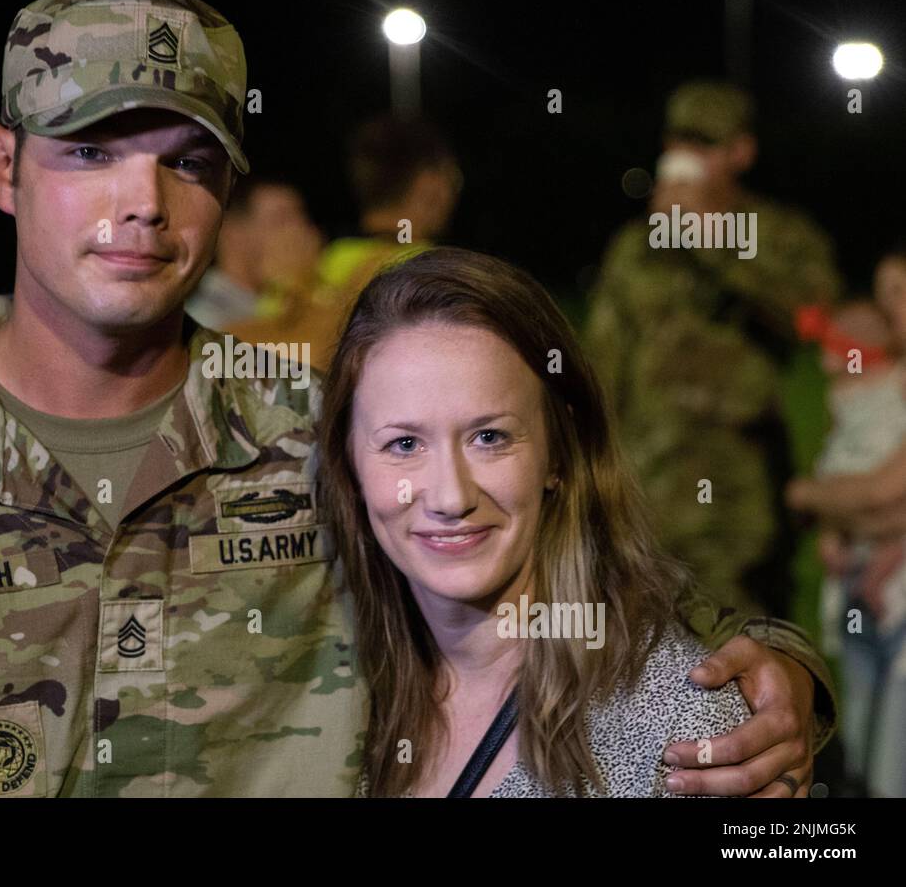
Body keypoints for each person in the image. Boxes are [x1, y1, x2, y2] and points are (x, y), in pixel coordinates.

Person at [0, 0, 828, 798]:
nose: (142, 205)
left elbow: (605, 585)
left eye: (187, 161)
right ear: (4, 166)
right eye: (91, 152)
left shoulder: (334, 436)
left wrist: (779, 671)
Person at [327, 248, 820, 797]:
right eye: (404, 443)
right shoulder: (320, 695)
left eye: (489, 437)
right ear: (347, 462)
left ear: (557, 454)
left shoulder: (684, 726)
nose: (450, 495)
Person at [585, 80, 842, 619]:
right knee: (641, 640)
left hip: (737, 485)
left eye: (704, 144)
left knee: (740, 636)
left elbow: (810, 318)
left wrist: (712, 240)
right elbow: (602, 362)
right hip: (647, 480)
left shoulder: (777, 234)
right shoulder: (637, 246)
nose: (686, 158)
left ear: (741, 153)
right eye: (678, 143)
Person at [787, 262, 906, 797]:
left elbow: (885, 491)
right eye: (885, 294)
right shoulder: (872, 395)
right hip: (865, 591)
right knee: (861, 730)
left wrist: (809, 497)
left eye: (901, 291)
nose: (891, 308)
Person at [226, 114, 462, 370]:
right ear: (431, 184)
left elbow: (258, 358)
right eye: (454, 178)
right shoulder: (432, 271)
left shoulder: (313, 264)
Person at [185, 174, 323, 330]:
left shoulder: (268, 301)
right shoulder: (205, 317)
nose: (302, 232)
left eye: (303, 219)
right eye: (282, 220)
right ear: (232, 234)